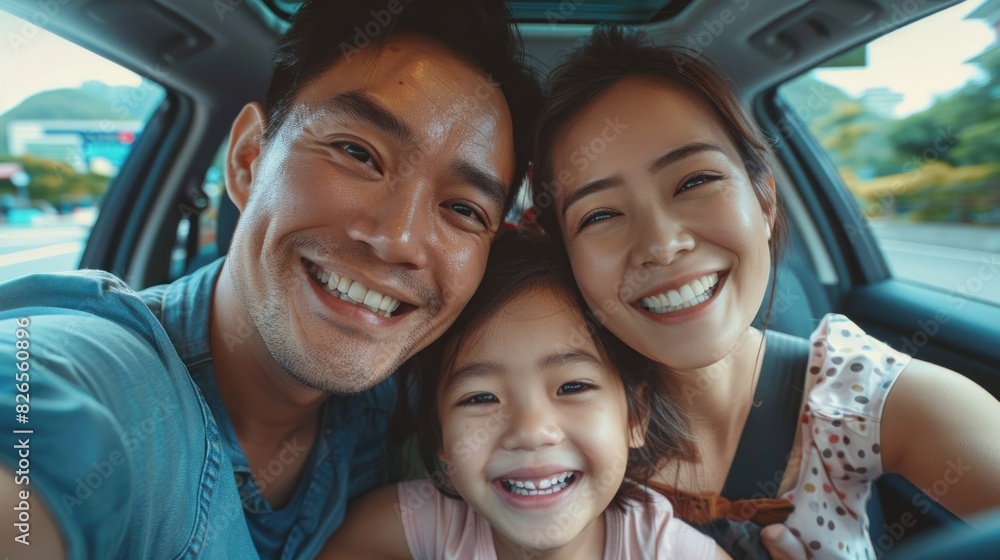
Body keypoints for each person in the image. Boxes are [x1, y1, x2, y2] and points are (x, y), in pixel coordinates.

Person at [0, 1, 541, 558]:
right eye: (358, 154)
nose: (399, 239)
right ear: (248, 158)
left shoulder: (417, 403)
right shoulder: (111, 377)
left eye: (463, 210)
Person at [529, 25, 1000, 560]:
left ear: (764, 199)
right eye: (601, 214)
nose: (660, 245)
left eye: (694, 182)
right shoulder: (539, 421)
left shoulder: (861, 397)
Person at [319, 230, 727, 560]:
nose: (531, 431)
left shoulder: (668, 550)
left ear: (635, 417)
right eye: (480, 398)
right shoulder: (414, 525)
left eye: (573, 387)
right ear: (441, 436)